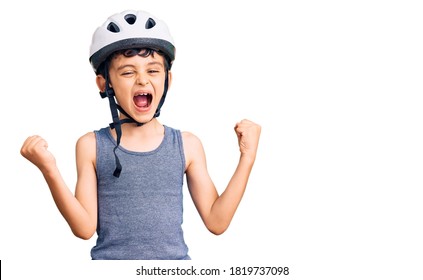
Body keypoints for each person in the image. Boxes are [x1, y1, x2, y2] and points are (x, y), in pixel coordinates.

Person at [20, 10, 261, 260]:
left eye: (153, 71)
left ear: (168, 79)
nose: (142, 80)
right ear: (104, 84)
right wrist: (49, 169)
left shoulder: (187, 145)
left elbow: (216, 221)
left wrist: (247, 157)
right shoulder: (91, 145)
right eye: (127, 72)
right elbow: (84, 229)